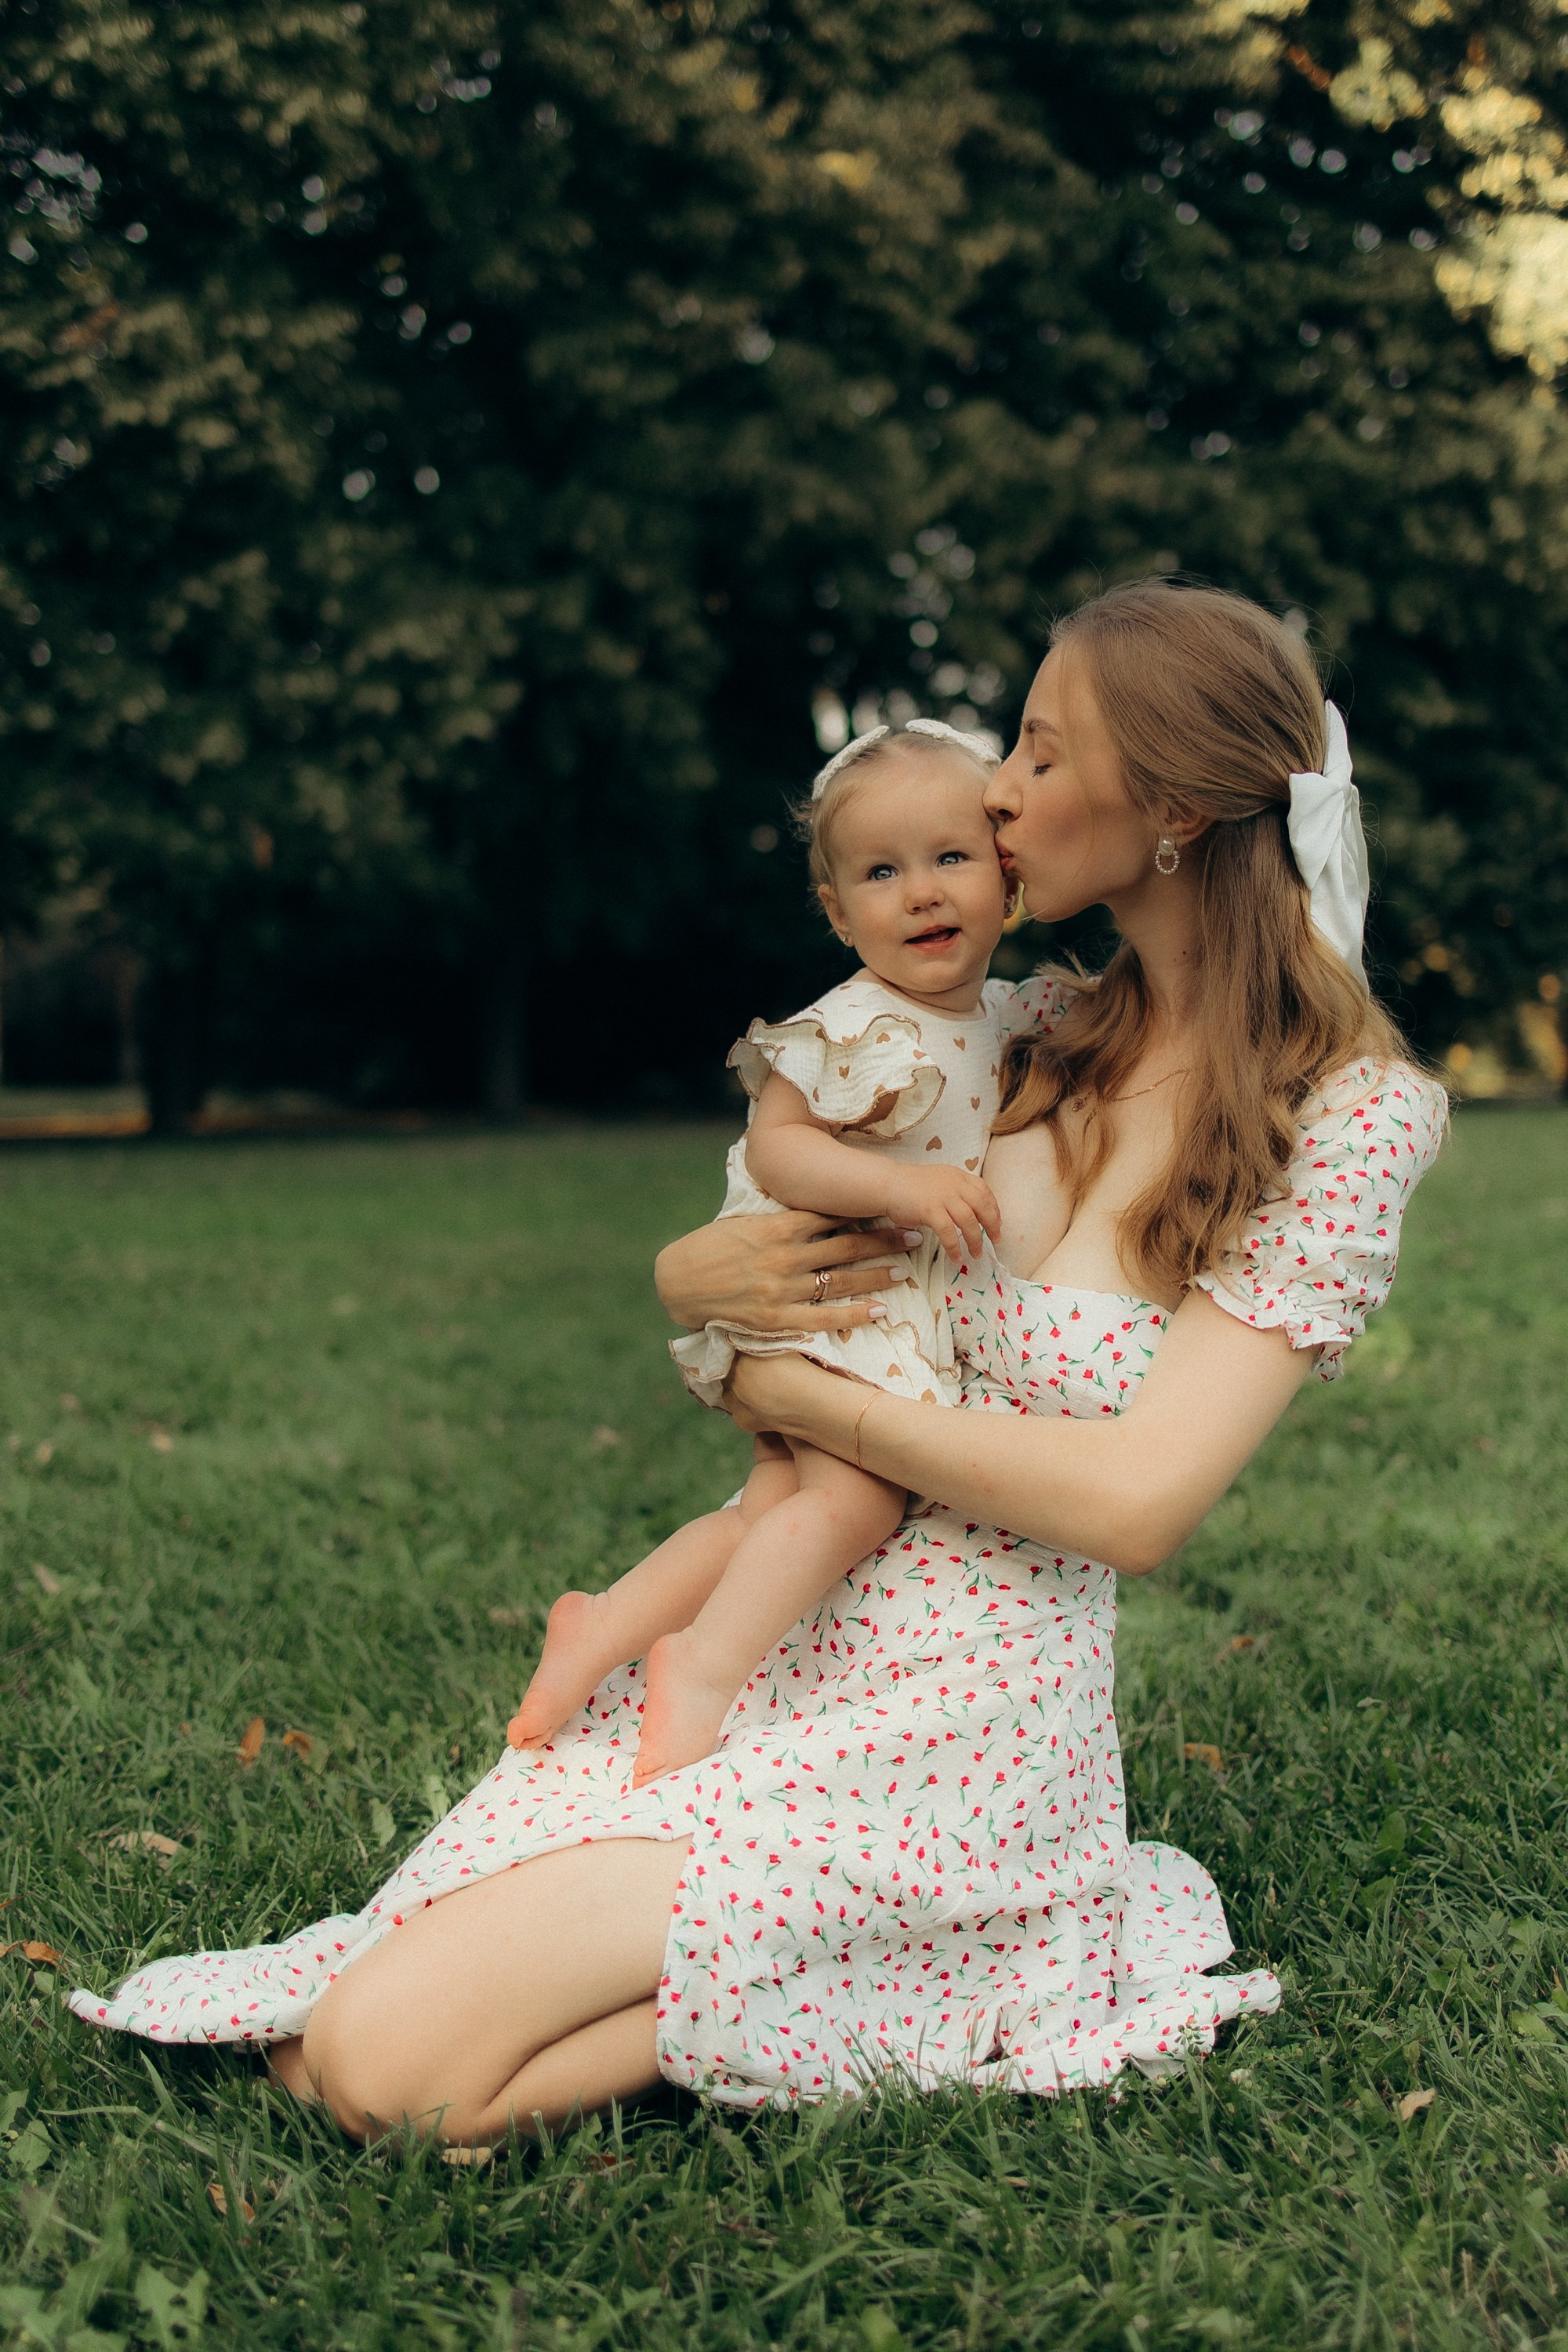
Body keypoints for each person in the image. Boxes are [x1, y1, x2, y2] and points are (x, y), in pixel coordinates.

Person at [68, 580, 1446, 2152]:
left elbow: (1136, 1503)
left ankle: (920, 1958)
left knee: (380, 2067)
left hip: (973, 1721)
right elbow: (787, 1194)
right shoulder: (1029, 1029)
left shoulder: (1341, 1113)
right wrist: (685, 1276)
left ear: (1177, 815)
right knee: (370, 2029)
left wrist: (802, 1403)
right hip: (798, 1622)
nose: (995, 789)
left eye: (1043, 754)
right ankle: (816, 1971)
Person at [508, 717, 1014, 1784]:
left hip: (869, 1305)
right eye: (882, 872)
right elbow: (780, 1150)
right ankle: (698, 1671)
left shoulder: (1004, 1017)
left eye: (951, 858)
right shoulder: (851, 1024)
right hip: (817, 1287)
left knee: (770, 1513)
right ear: (837, 913)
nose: (922, 892)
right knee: (856, 1500)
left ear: (1008, 878)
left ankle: (598, 1628)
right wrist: (898, 1186)